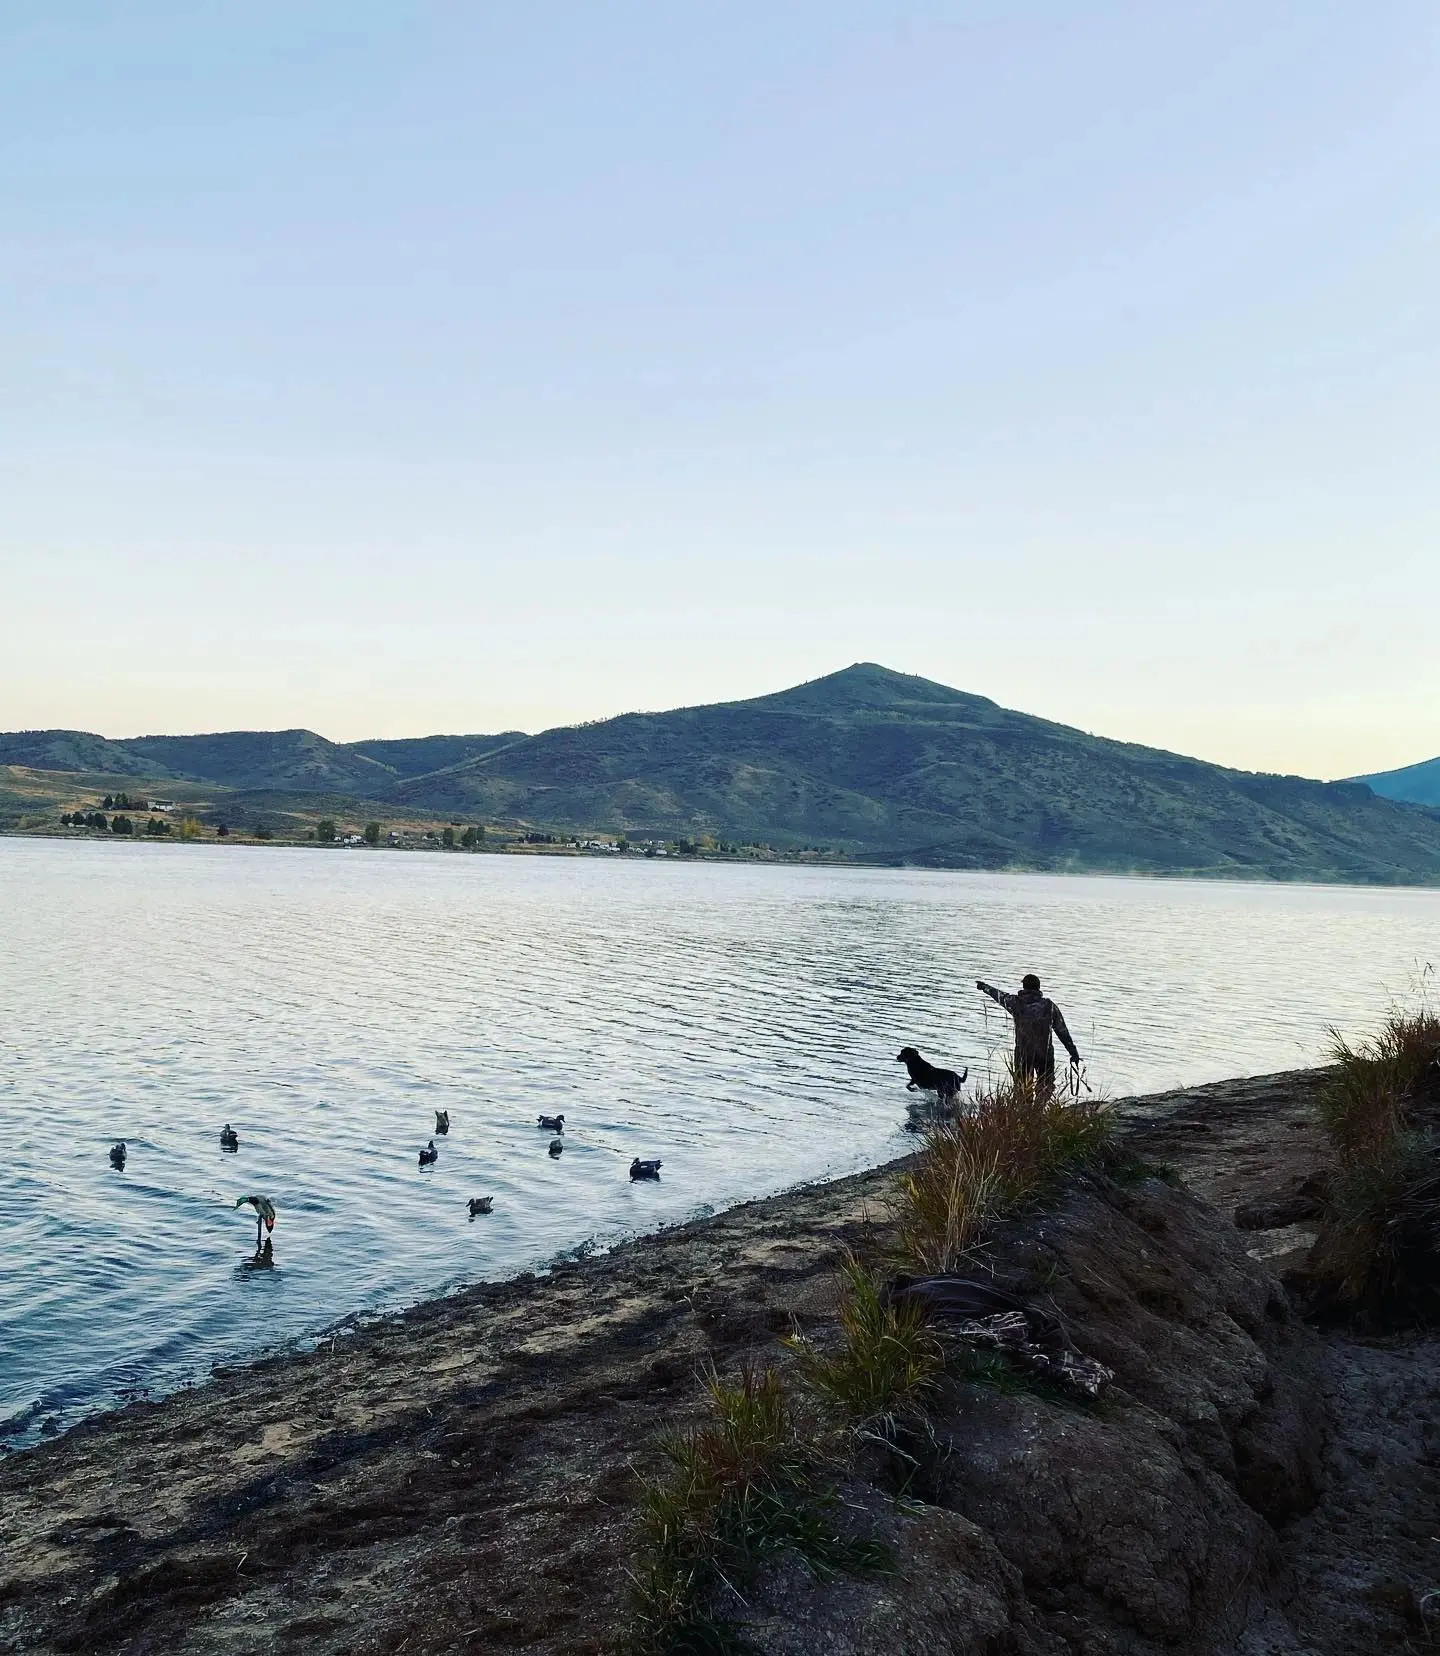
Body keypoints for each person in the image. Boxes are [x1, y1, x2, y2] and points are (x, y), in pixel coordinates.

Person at [976, 973, 1081, 1096]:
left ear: (1024, 987)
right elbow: (1062, 1031)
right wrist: (1073, 1053)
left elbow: (998, 995)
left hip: (1023, 1054)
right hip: (1045, 1055)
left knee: (1023, 1090)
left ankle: (1025, 1111)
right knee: (1045, 1087)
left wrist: (984, 987)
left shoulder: (1015, 1002)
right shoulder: (1048, 1006)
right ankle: (1040, 1110)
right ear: (1038, 988)